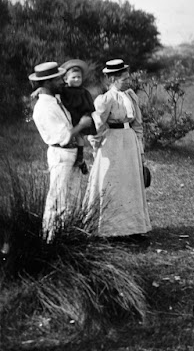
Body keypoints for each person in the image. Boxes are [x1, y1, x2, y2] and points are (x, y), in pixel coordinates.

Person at [85, 59, 151, 240]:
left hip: (129, 143)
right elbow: (97, 125)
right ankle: (110, 230)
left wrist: (140, 149)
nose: (128, 81)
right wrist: (96, 146)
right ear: (112, 79)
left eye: (128, 78)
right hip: (112, 144)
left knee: (130, 184)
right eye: (124, 79)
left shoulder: (131, 96)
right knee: (113, 183)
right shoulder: (106, 99)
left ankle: (133, 228)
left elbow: (138, 125)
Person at [29, 62, 94, 240]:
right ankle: (49, 238)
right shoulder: (44, 108)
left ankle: (67, 236)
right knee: (57, 197)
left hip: (71, 152)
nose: (61, 81)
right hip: (60, 153)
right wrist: (82, 125)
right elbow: (63, 135)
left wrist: (79, 155)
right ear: (48, 83)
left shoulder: (55, 100)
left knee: (72, 197)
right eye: (57, 79)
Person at [58, 59, 97, 175]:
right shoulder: (63, 90)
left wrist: (86, 117)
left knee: (80, 137)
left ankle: (80, 157)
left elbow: (89, 106)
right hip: (69, 116)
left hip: (80, 117)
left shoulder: (83, 92)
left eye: (79, 77)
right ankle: (73, 158)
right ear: (66, 79)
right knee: (69, 136)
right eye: (73, 77)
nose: (77, 80)